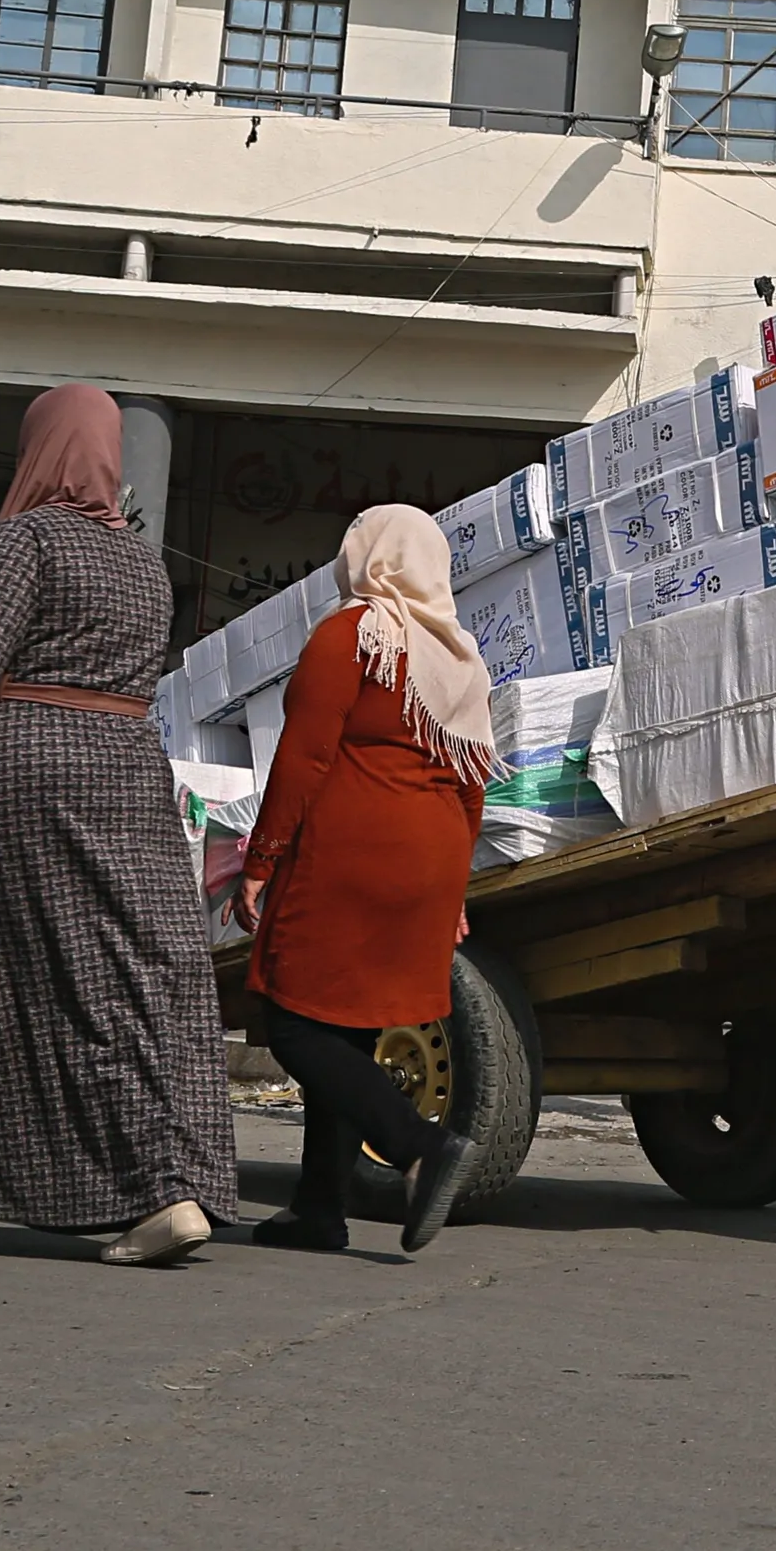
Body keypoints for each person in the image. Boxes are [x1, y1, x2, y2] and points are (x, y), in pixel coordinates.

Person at [0, 386, 235, 1266]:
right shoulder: (144, 563)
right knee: (130, 979)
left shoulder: (28, 537)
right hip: (127, 769)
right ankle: (167, 1185)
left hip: (21, 774)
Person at [233, 505, 490, 1255]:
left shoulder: (353, 636)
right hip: (434, 858)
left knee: (291, 1019)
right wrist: (454, 891)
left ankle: (418, 1143)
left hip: (353, 852)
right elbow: (472, 783)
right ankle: (319, 1209)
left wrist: (261, 859)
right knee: (344, 1027)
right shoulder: (458, 657)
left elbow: (305, 758)